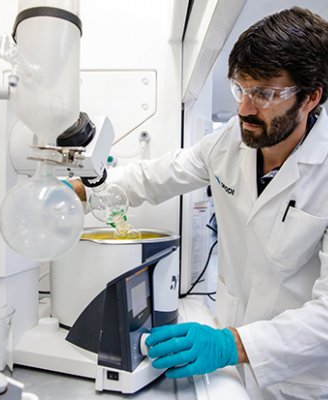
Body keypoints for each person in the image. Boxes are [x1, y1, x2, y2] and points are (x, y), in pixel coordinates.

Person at [72, 6, 328, 399]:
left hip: (299, 380)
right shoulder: (232, 140)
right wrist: (83, 191)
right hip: (230, 365)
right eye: (240, 88)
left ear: (311, 97)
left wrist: (231, 344)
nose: (245, 109)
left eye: (264, 94)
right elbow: (158, 175)